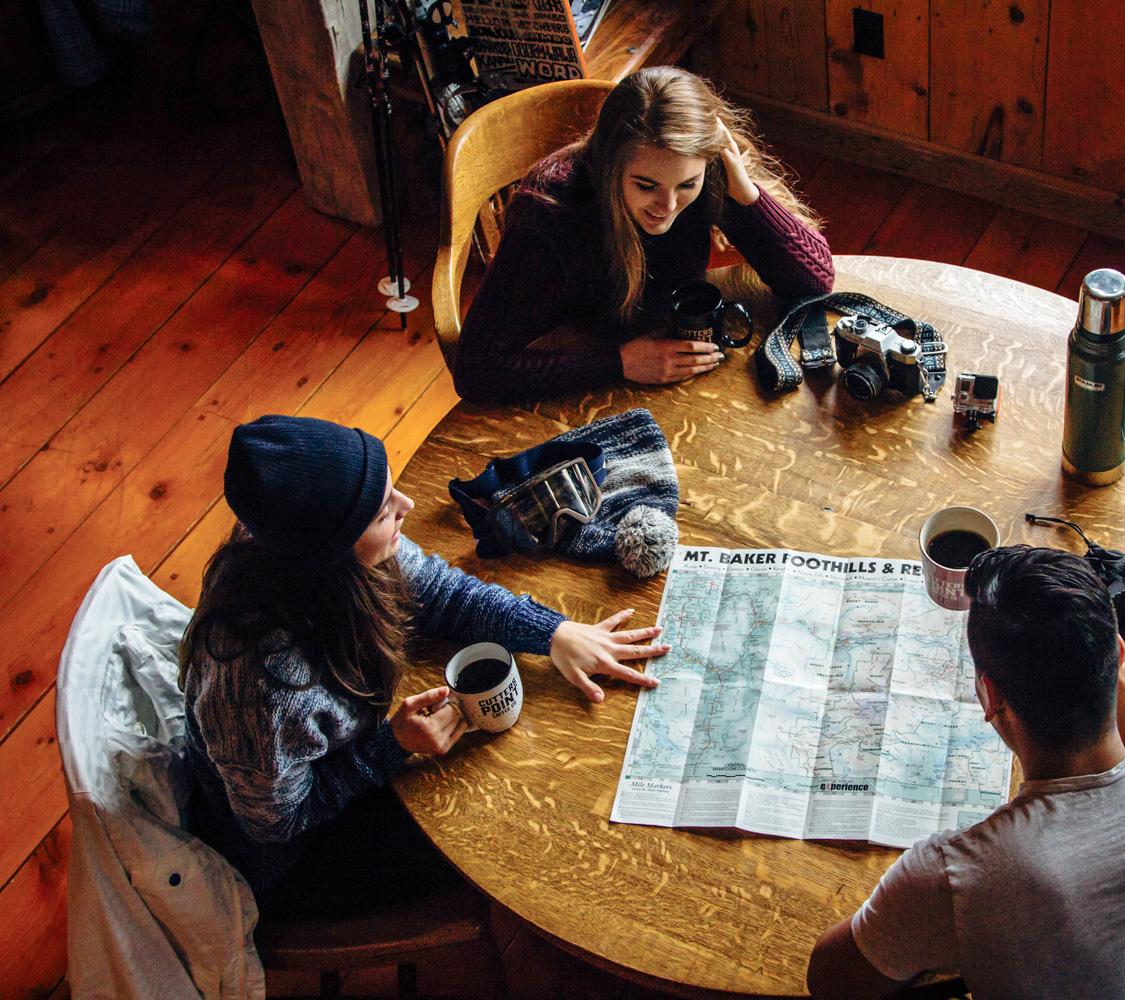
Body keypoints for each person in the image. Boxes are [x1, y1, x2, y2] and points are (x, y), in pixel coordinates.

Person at [179, 414, 668, 909]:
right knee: (521, 849)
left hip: (338, 764)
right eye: (382, 514)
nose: (406, 506)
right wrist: (391, 745)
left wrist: (554, 633)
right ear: (329, 554)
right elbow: (277, 823)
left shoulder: (303, 542)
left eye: (390, 492)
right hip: (298, 856)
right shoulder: (262, 688)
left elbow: (440, 591)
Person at [807, 545, 1125, 1000]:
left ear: (989, 696)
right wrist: (1087, 637)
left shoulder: (958, 880)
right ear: (1122, 653)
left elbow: (831, 982)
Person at [452, 65, 834, 402]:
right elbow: (476, 369)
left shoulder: (711, 178)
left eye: (687, 184)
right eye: (646, 185)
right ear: (610, 165)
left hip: (671, 364)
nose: (666, 205)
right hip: (580, 371)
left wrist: (745, 192)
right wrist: (619, 362)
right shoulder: (551, 213)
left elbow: (816, 279)